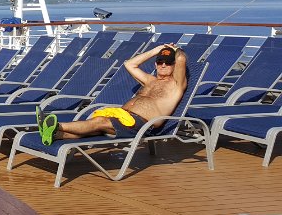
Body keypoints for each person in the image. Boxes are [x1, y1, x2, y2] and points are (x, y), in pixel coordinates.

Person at [37, 43, 187, 145]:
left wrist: (175, 49)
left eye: (168, 62)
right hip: (121, 116)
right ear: (155, 63)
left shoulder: (176, 85)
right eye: (160, 61)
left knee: (99, 122)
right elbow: (129, 64)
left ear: (174, 66)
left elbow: (181, 58)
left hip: (139, 125)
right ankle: (53, 135)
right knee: (92, 130)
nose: (163, 65)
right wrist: (156, 50)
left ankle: (55, 125)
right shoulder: (150, 80)